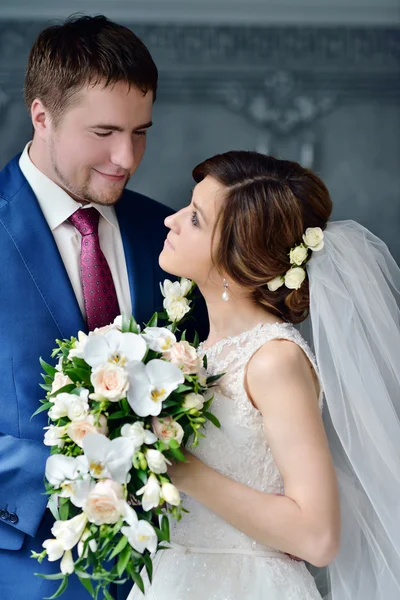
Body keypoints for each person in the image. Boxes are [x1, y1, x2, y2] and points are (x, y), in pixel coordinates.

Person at [129, 151, 400, 599]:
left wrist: (181, 469)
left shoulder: (273, 360)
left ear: (238, 258)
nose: (170, 221)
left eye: (195, 219)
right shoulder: (196, 353)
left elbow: (318, 536)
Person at [0, 14, 177, 600]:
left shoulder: (169, 233)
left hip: (167, 569)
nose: (126, 157)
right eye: (104, 132)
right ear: (41, 116)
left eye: (141, 131)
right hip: (20, 565)